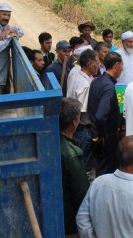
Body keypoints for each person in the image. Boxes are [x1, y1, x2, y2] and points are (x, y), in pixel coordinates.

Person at [88, 52, 124, 176]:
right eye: (122, 66)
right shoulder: (108, 86)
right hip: (107, 137)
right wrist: (102, 136)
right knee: (107, 171)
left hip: (97, 134)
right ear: (116, 65)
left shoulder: (96, 81)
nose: (122, 69)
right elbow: (100, 116)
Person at [67, 49, 100, 179]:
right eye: (97, 62)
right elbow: (83, 111)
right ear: (90, 64)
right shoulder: (85, 85)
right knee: (84, 162)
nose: (98, 65)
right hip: (82, 128)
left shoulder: (75, 74)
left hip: (74, 125)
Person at [59, 97, 90, 236]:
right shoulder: (72, 154)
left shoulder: (52, 139)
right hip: (70, 221)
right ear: (73, 123)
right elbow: (81, 193)